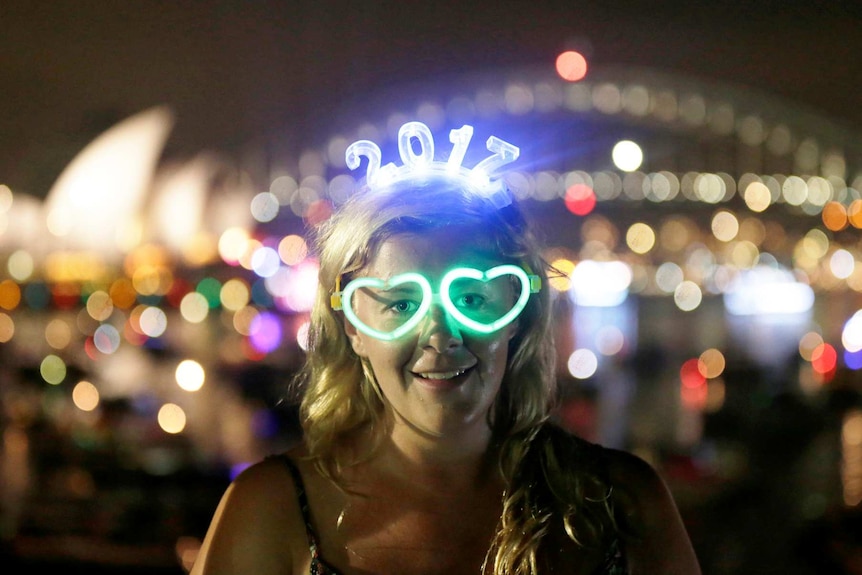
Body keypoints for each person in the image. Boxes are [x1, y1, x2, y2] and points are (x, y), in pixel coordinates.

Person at [190, 121, 701, 574]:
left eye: (474, 298)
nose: (440, 334)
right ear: (352, 327)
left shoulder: (625, 504)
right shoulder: (267, 513)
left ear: (519, 315)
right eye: (398, 304)